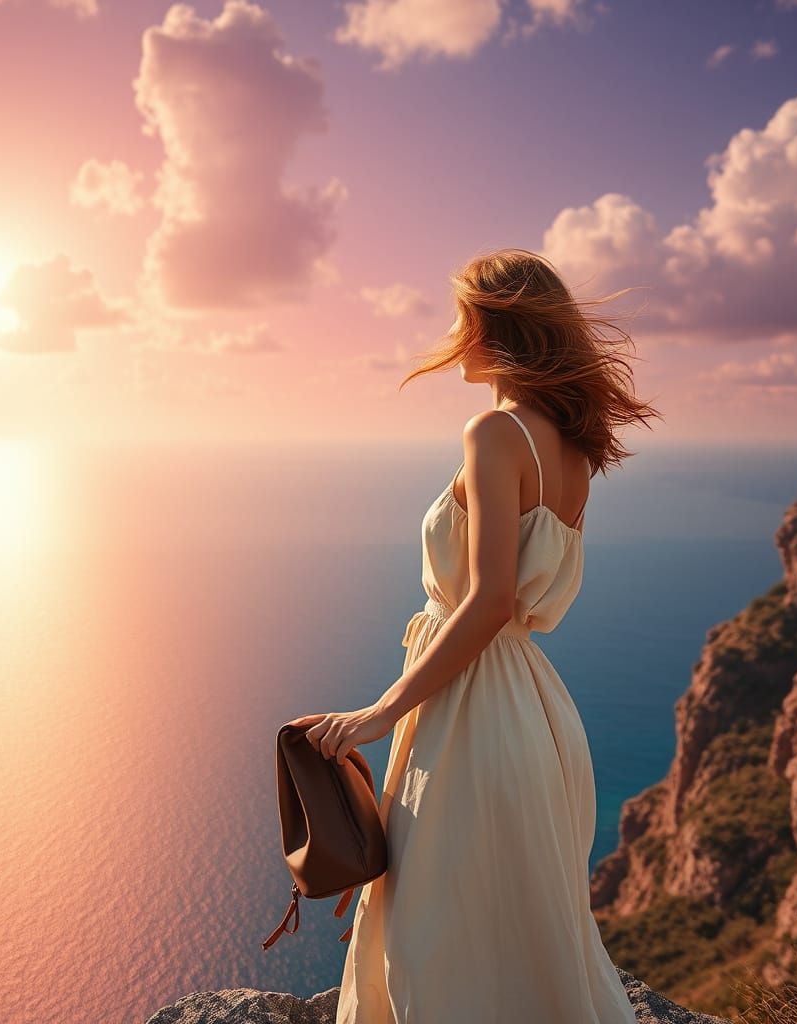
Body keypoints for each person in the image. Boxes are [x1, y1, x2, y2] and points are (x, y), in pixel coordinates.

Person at [287, 248, 662, 1023]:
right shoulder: (572, 451)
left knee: (433, 932)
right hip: (536, 715)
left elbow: (489, 600)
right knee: (519, 933)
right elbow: (515, 604)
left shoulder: (494, 432)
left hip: (473, 712)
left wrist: (379, 712)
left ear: (494, 327)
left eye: (464, 315)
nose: (453, 332)